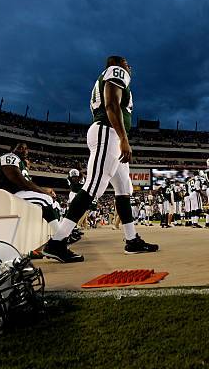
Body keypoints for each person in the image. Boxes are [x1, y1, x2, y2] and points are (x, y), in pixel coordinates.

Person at [43, 55, 158, 263]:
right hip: (109, 132)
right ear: (118, 64)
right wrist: (123, 138)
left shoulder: (105, 77)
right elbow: (112, 105)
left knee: (124, 189)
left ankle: (132, 240)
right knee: (94, 187)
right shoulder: (116, 71)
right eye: (126, 63)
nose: (129, 67)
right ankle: (57, 242)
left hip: (109, 133)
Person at [0, 142, 61, 236]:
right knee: (45, 199)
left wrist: (44, 190)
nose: (24, 151)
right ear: (12, 150)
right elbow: (22, 182)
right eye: (20, 148)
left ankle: (54, 235)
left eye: (26, 148)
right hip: (8, 194)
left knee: (55, 203)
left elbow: (27, 183)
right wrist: (44, 192)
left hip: (16, 193)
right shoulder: (10, 157)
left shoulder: (20, 162)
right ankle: (60, 238)